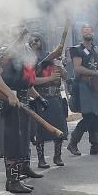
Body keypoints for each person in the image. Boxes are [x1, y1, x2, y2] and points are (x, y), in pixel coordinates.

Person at [0, 35, 50, 192]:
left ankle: (21, 171)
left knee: (23, 138)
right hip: (7, 100)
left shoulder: (26, 51)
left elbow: (26, 81)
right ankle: (12, 181)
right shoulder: (1, 50)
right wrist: (10, 94)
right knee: (11, 141)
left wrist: (38, 97)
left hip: (22, 100)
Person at [67, 24, 98, 155]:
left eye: (89, 30)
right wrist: (95, 73)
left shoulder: (96, 50)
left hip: (95, 87)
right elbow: (78, 68)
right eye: (85, 31)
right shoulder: (76, 49)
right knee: (88, 117)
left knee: (97, 116)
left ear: (92, 33)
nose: (87, 32)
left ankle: (95, 146)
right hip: (84, 86)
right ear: (82, 34)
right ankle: (73, 143)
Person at [29, 32, 68, 167]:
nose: (34, 43)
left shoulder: (52, 56)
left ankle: (57, 156)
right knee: (40, 130)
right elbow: (31, 81)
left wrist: (60, 68)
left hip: (55, 96)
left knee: (59, 127)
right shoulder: (29, 59)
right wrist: (49, 78)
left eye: (37, 40)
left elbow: (65, 75)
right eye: (32, 41)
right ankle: (41, 159)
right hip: (41, 97)